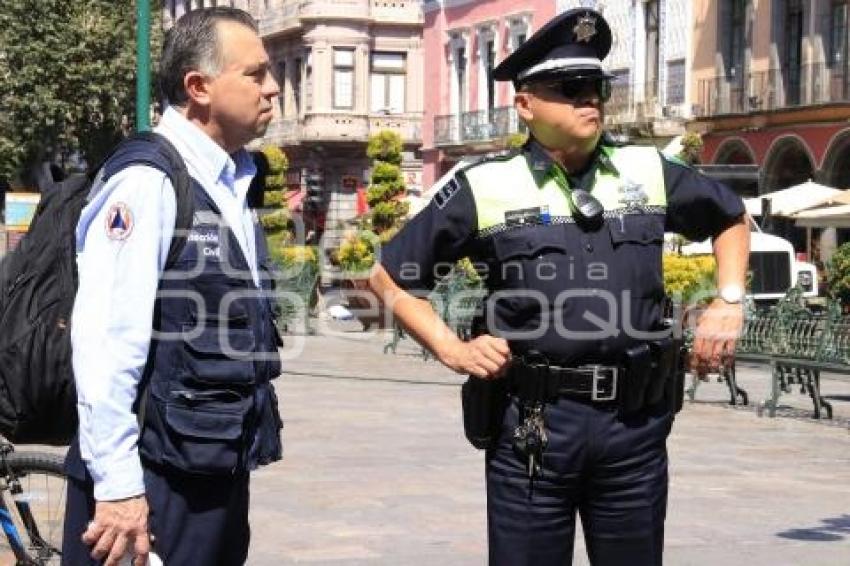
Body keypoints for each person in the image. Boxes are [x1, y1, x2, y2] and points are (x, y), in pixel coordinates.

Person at [368, 8, 749, 566]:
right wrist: (451, 348)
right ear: (525, 104)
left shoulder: (646, 169)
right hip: (534, 430)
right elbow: (388, 277)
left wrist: (729, 300)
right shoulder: (486, 184)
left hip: (635, 427)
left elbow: (730, 216)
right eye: (570, 89)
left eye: (596, 86)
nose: (589, 99)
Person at [63, 7, 283, 566]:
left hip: (213, 473)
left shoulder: (233, 181)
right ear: (199, 87)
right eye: (255, 74)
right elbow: (107, 343)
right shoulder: (147, 182)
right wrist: (117, 489)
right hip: (152, 482)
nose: (273, 88)